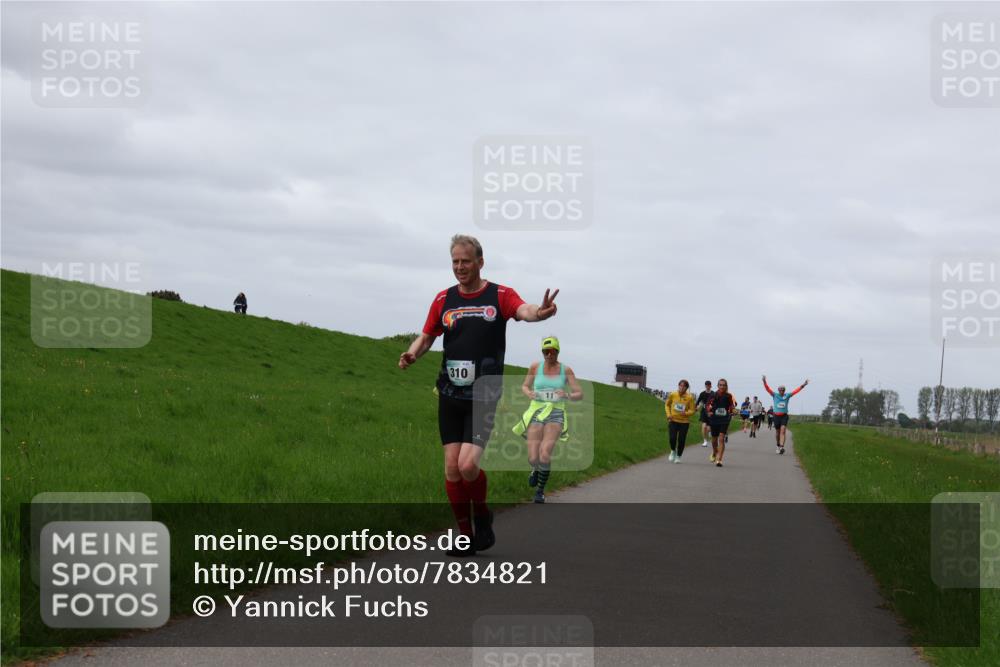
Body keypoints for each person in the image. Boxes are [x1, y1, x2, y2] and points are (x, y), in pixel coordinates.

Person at [399, 235, 558, 557]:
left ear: (480, 262)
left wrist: (540, 313)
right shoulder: (443, 299)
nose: (460, 267)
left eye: (466, 261)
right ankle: (466, 535)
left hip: (483, 394)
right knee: (451, 469)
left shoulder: (499, 295)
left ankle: (482, 514)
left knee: (468, 465)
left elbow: (523, 310)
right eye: (455, 262)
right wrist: (413, 353)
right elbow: (428, 334)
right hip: (449, 392)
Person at [517, 336, 583, 503]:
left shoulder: (566, 370)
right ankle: (535, 469)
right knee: (533, 456)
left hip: (556, 412)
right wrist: (529, 393)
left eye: (552, 351)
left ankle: (540, 491)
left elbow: (579, 394)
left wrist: (567, 395)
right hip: (536, 411)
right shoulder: (535, 367)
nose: (548, 354)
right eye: (545, 351)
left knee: (545, 453)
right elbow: (524, 386)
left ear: (557, 351)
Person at [762, 375, 809, 455]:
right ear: (778, 390)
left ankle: (781, 447)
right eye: (780, 390)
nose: (781, 392)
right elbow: (768, 389)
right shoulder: (775, 395)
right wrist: (764, 381)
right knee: (777, 433)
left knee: (783, 431)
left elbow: (796, 391)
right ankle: (777, 445)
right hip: (776, 416)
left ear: (784, 391)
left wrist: (803, 385)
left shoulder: (787, 395)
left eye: (783, 390)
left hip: (784, 416)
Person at [705, 379, 736, 467]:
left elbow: (732, 406)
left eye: (724, 385)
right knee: (714, 440)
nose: (722, 386)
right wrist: (709, 411)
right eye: (720, 385)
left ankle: (719, 459)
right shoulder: (713, 395)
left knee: (721, 438)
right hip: (714, 419)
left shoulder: (729, 396)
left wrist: (733, 410)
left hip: (724, 420)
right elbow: (707, 405)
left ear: (726, 386)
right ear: (718, 386)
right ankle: (715, 452)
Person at [665, 379, 697, 463]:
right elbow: (667, 405)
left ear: (687, 388)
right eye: (680, 386)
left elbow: (692, 410)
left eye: (684, 386)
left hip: (684, 422)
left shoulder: (689, 397)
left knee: (681, 440)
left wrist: (686, 413)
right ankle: (673, 451)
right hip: (673, 420)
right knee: (672, 438)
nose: (682, 388)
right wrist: (668, 415)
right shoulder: (673, 394)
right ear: (678, 386)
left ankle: (678, 456)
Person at [695, 380, 714, 447]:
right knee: (704, 426)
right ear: (705, 386)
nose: (707, 386)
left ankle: (709, 432)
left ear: (711, 386)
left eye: (709, 385)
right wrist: (696, 407)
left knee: (709, 428)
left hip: (711, 411)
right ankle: (705, 441)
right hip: (703, 411)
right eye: (706, 385)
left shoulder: (713, 394)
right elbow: (698, 401)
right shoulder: (702, 393)